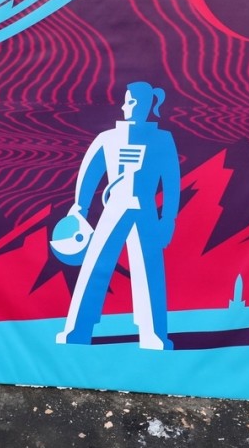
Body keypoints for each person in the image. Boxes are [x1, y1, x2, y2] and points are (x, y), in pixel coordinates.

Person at [56, 82, 181, 350]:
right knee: (95, 266)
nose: (127, 107)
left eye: (133, 101)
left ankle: (153, 333)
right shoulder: (108, 139)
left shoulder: (162, 139)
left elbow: (171, 182)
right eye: (126, 101)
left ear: (147, 105)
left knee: (149, 271)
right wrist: (80, 209)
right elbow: (89, 173)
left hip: (145, 210)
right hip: (114, 208)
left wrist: (168, 219)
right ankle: (77, 329)